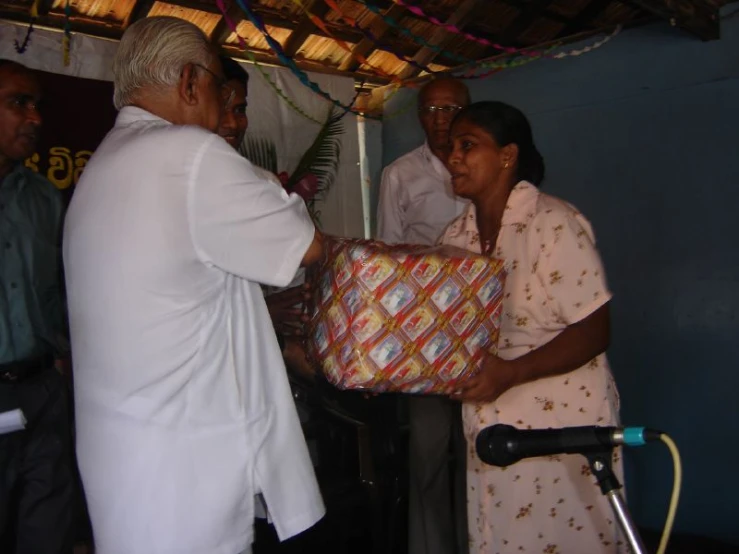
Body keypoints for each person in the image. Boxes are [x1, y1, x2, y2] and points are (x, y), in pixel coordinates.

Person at [63, 17, 325, 554]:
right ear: (189, 82)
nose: (220, 104)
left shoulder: (103, 165)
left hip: (126, 456)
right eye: (214, 85)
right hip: (183, 467)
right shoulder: (187, 154)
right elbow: (307, 246)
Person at [440, 101, 623, 553]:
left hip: (561, 420)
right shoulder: (452, 240)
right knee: (501, 536)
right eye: (450, 148)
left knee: (566, 535)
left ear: (507, 155)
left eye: (467, 145)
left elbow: (594, 330)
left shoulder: (553, 223)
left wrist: (511, 373)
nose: (453, 158)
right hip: (489, 419)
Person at [377, 77, 470, 554]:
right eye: (432, 110)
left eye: (451, 108)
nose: (441, 119)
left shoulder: (486, 166)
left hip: (481, 337)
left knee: (480, 454)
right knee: (429, 456)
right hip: (426, 337)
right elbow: (389, 262)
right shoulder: (400, 175)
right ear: (420, 117)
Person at [0, 59, 75, 553]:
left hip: (42, 393)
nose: (35, 118)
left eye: (37, 105)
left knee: (45, 535)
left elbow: (53, 293)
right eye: (18, 103)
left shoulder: (45, 199)